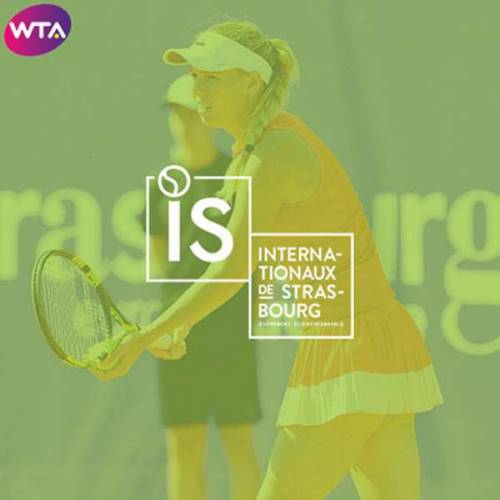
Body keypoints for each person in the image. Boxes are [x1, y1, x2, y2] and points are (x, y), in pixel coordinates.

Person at [91, 20, 444, 500]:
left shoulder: (272, 155)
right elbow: (245, 265)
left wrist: (144, 336)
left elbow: (232, 269)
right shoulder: (269, 146)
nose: (198, 90)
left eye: (212, 77)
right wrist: (182, 323)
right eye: (194, 76)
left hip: (350, 348)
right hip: (378, 338)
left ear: (252, 81)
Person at [144, 75, 261, 500]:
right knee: (183, 442)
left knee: (238, 440)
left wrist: (241, 315)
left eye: (190, 113)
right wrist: (177, 317)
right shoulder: (162, 185)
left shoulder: (237, 178)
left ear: (207, 117)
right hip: (176, 335)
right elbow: (161, 258)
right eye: (176, 114)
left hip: (230, 334)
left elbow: (255, 257)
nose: (182, 123)